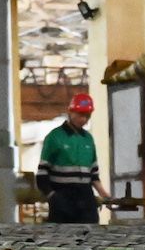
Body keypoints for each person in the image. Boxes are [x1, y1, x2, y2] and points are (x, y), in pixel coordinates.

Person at [37, 92, 108, 224]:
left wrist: (105, 196)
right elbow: (42, 175)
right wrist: (52, 196)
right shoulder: (54, 137)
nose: (84, 119)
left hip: (85, 197)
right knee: (63, 239)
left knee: (90, 235)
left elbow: (93, 175)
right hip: (63, 197)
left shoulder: (88, 139)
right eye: (81, 115)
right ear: (70, 112)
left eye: (87, 116)